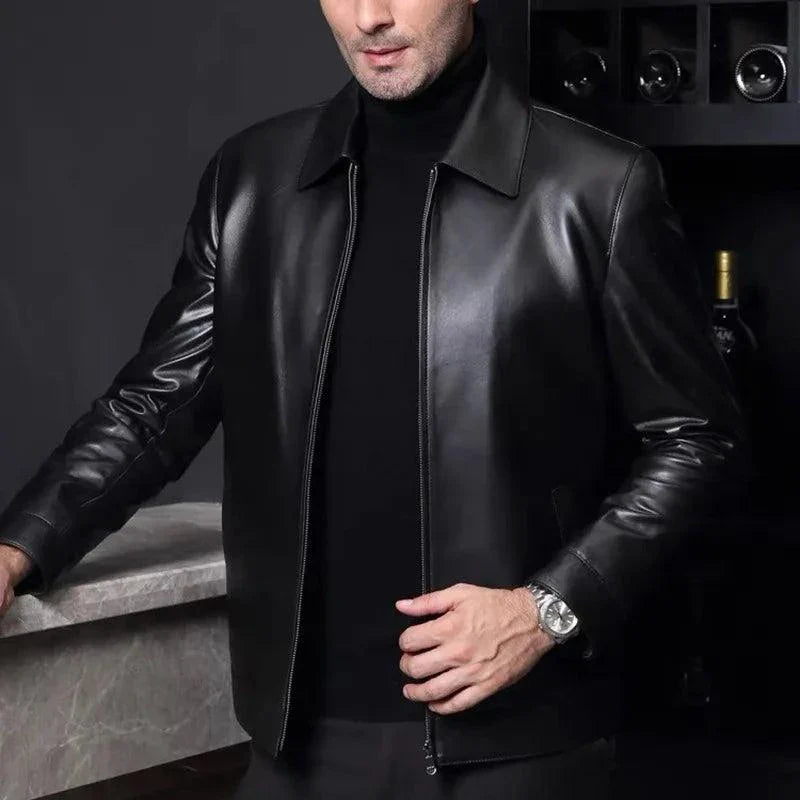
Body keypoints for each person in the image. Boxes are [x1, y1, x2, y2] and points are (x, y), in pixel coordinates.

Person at [0, 2, 749, 798]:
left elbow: (699, 438)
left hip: (516, 746)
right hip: (297, 738)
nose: (370, 18)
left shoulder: (598, 186)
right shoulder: (251, 179)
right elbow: (155, 404)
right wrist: (20, 543)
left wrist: (548, 608)